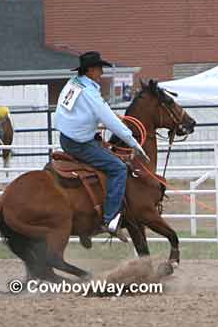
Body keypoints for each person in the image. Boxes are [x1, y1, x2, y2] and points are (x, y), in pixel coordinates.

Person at [55, 51, 150, 240]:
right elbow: (108, 118)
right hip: (79, 143)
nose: (102, 72)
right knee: (118, 168)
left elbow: (79, 110)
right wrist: (134, 144)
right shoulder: (90, 92)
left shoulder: (74, 83)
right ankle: (110, 218)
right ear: (90, 70)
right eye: (99, 69)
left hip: (68, 136)